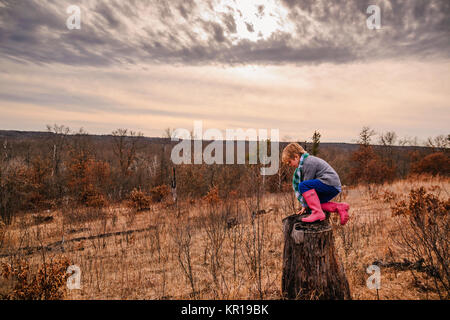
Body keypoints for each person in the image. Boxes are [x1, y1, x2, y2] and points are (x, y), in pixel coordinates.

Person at [282, 142, 350, 225]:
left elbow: (306, 185)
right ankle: (339, 207)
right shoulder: (304, 164)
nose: (289, 165)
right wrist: (306, 205)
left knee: (302, 186)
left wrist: (304, 204)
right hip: (331, 186)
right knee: (314, 205)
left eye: (289, 162)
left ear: (296, 156)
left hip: (329, 182)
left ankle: (317, 213)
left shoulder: (308, 162)